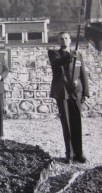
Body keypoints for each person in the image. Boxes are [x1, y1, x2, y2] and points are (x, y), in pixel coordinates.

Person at [48, 32, 90, 164]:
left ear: (70, 40)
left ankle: (79, 153)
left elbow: (83, 74)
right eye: (61, 39)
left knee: (77, 122)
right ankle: (69, 154)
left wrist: (85, 93)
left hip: (76, 92)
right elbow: (57, 63)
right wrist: (70, 56)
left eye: (66, 38)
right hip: (62, 92)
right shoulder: (54, 54)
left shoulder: (79, 55)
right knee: (66, 123)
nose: (64, 40)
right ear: (58, 41)